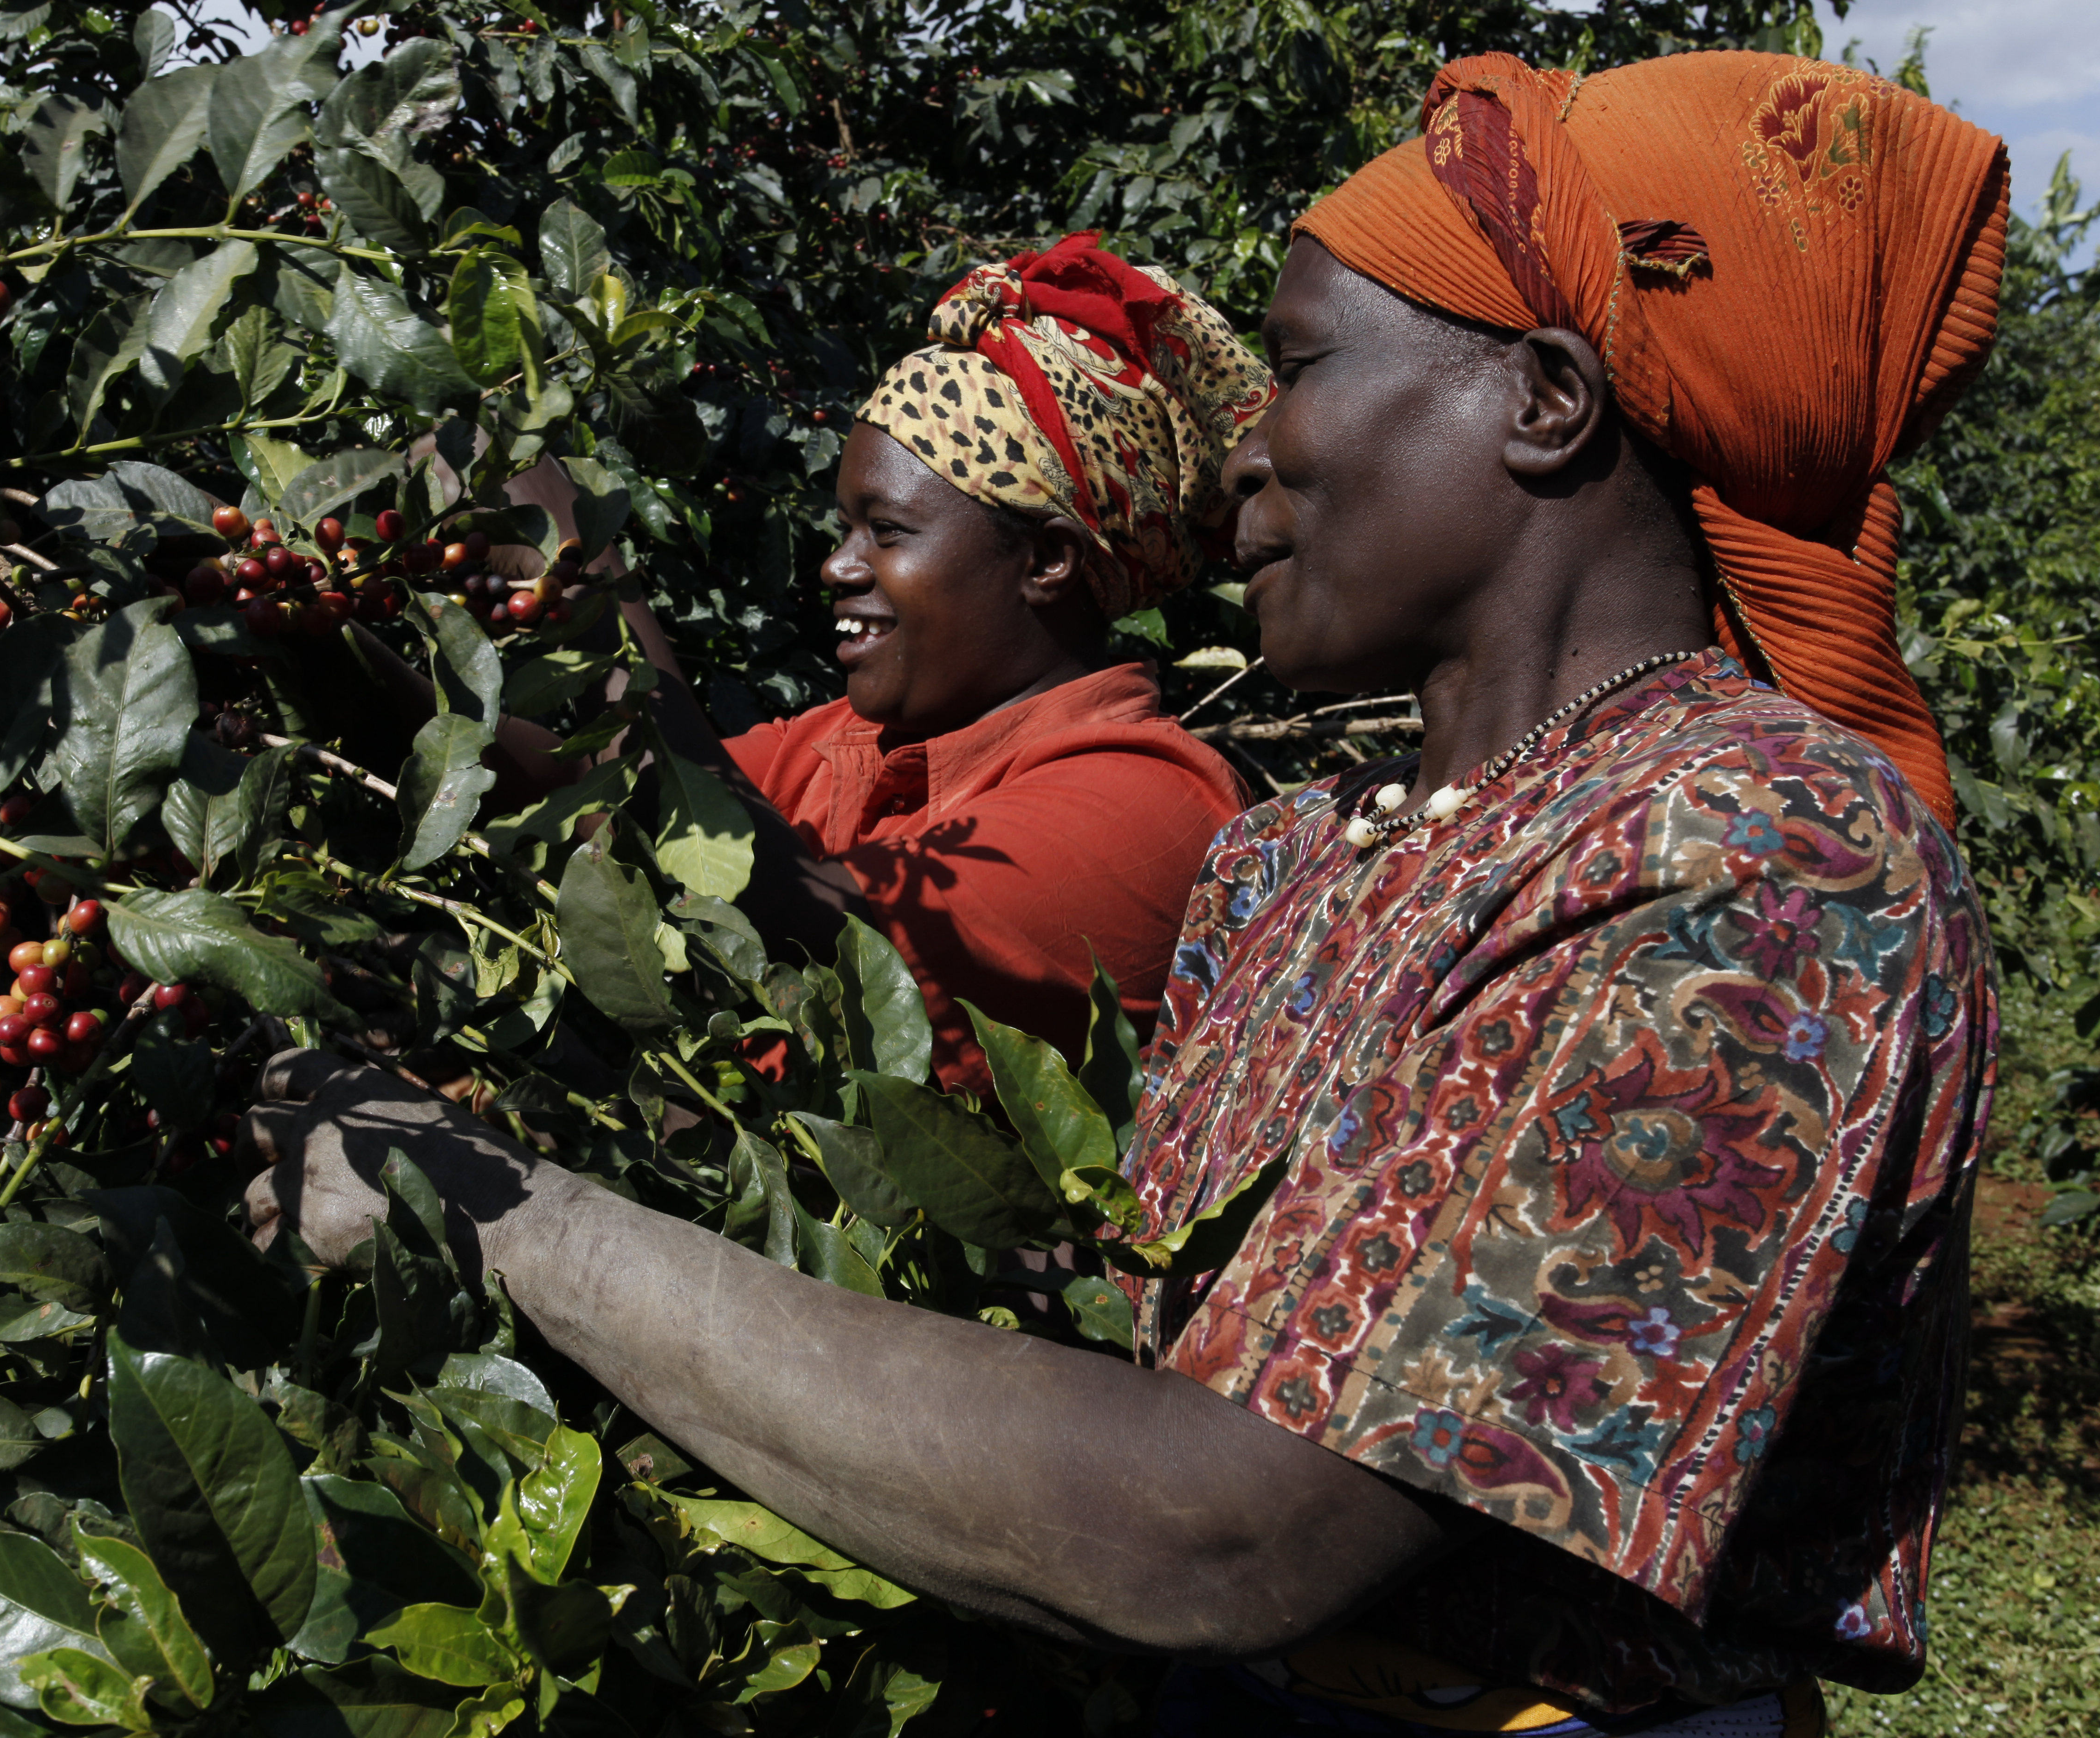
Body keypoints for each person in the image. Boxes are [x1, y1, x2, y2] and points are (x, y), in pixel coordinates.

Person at [246, 50, 2004, 1737]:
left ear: (1543, 402)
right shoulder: (1296, 854)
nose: (1239, 453)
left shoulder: (1755, 856)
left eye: (1299, 367)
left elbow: (1236, 1528)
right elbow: (1099, 1320)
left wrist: (501, 1213)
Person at [359, 236, 1262, 1087]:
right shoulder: (855, 738)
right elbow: (582, 797)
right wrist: (318, 642)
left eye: (890, 531)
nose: (837, 566)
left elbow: (812, 942)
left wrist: (593, 583)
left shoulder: (1150, 806)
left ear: (1048, 562)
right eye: (843, 528)